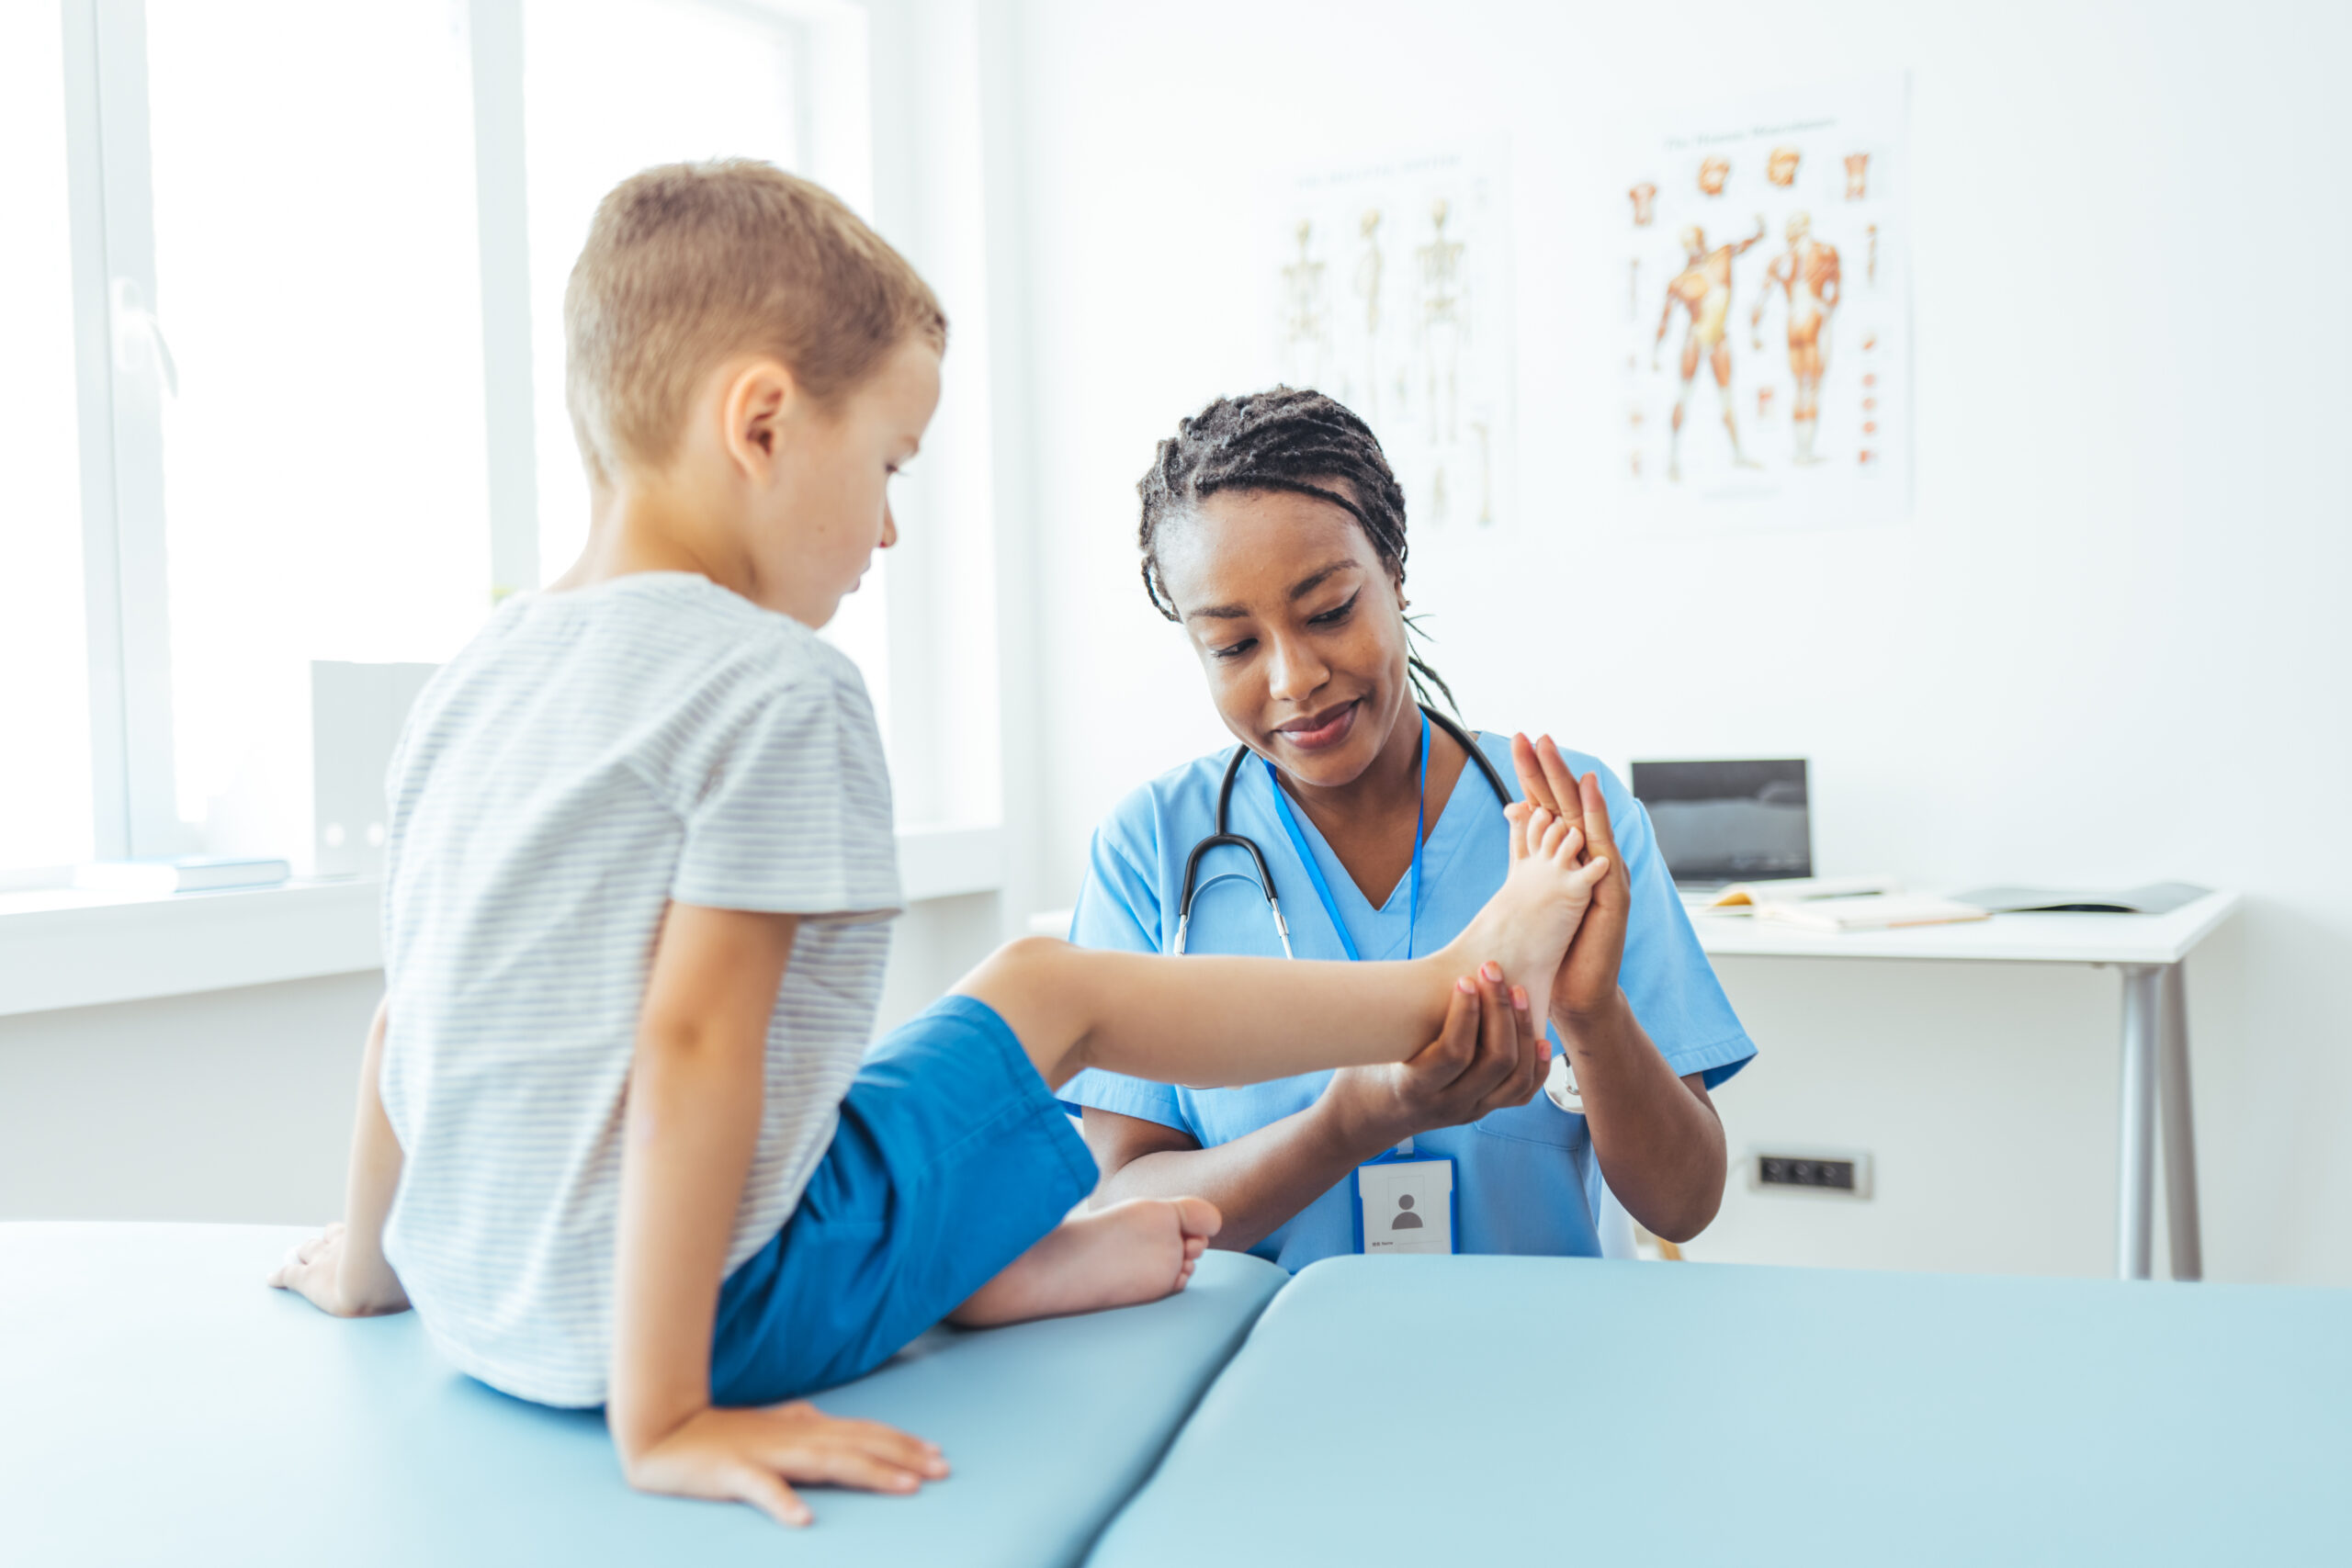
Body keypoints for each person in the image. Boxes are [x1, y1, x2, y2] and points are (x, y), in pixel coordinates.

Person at [264, 163, 1602, 1530]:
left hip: (485, 1295)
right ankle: (1443, 979)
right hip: (701, 1325)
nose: (890, 525)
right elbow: (695, 1049)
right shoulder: (770, 685)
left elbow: (405, 1016)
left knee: (906, 1068)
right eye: (889, 462)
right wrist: (664, 1413)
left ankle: (983, 1264)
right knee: (1051, 986)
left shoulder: (479, 671)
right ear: (765, 423)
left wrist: (375, 1262)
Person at [1062, 389, 1755, 1270]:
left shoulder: (1571, 823)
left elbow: (1686, 1203)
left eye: (1327, 612)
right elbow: (1122, 1202)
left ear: (1393, 572)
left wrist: (1594, 1017)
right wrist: (1350, 1125)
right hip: (1265, 1377)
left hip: (1542, 1374)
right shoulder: (1151, 849)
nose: (1293, 678)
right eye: (1234, 646)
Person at [1654, 219, 1768, 479]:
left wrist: (1760, 233)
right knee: (1684, 394)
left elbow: (1744, 245)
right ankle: (1672, 457)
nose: (1694, 247)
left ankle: (1738, 453)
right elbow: (1665, 319)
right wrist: (1656, 352)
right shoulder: (1680, 281)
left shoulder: (1722, 257)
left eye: (1696, 240)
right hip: (1695, 337)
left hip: (1719, 337)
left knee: (1726, 396)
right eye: (1688, 243)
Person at [1752, 210, 1841, 464]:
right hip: (1812, 315)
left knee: (1800, 387)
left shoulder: (1782, 259)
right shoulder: (1824, 252)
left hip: (1794, 318)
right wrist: (1827, 308)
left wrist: (1755, 330)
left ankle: (1802, 450)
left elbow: (1761, 299)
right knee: (1812, 386)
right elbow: (1835, 290)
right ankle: (1805, 450)